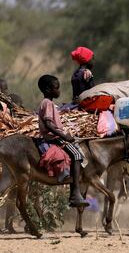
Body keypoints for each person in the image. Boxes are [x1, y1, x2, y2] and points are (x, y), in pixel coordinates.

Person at [37, 74, 89, 207]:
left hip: (55, 137)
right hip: (54, 138)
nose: (59, 91)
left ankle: (74, 190)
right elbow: (49, 125)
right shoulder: (47, 103)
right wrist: (64, 136)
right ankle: (75, 193)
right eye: (56, 88)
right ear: (48, 90)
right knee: (77, 155)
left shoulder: (49, 103)